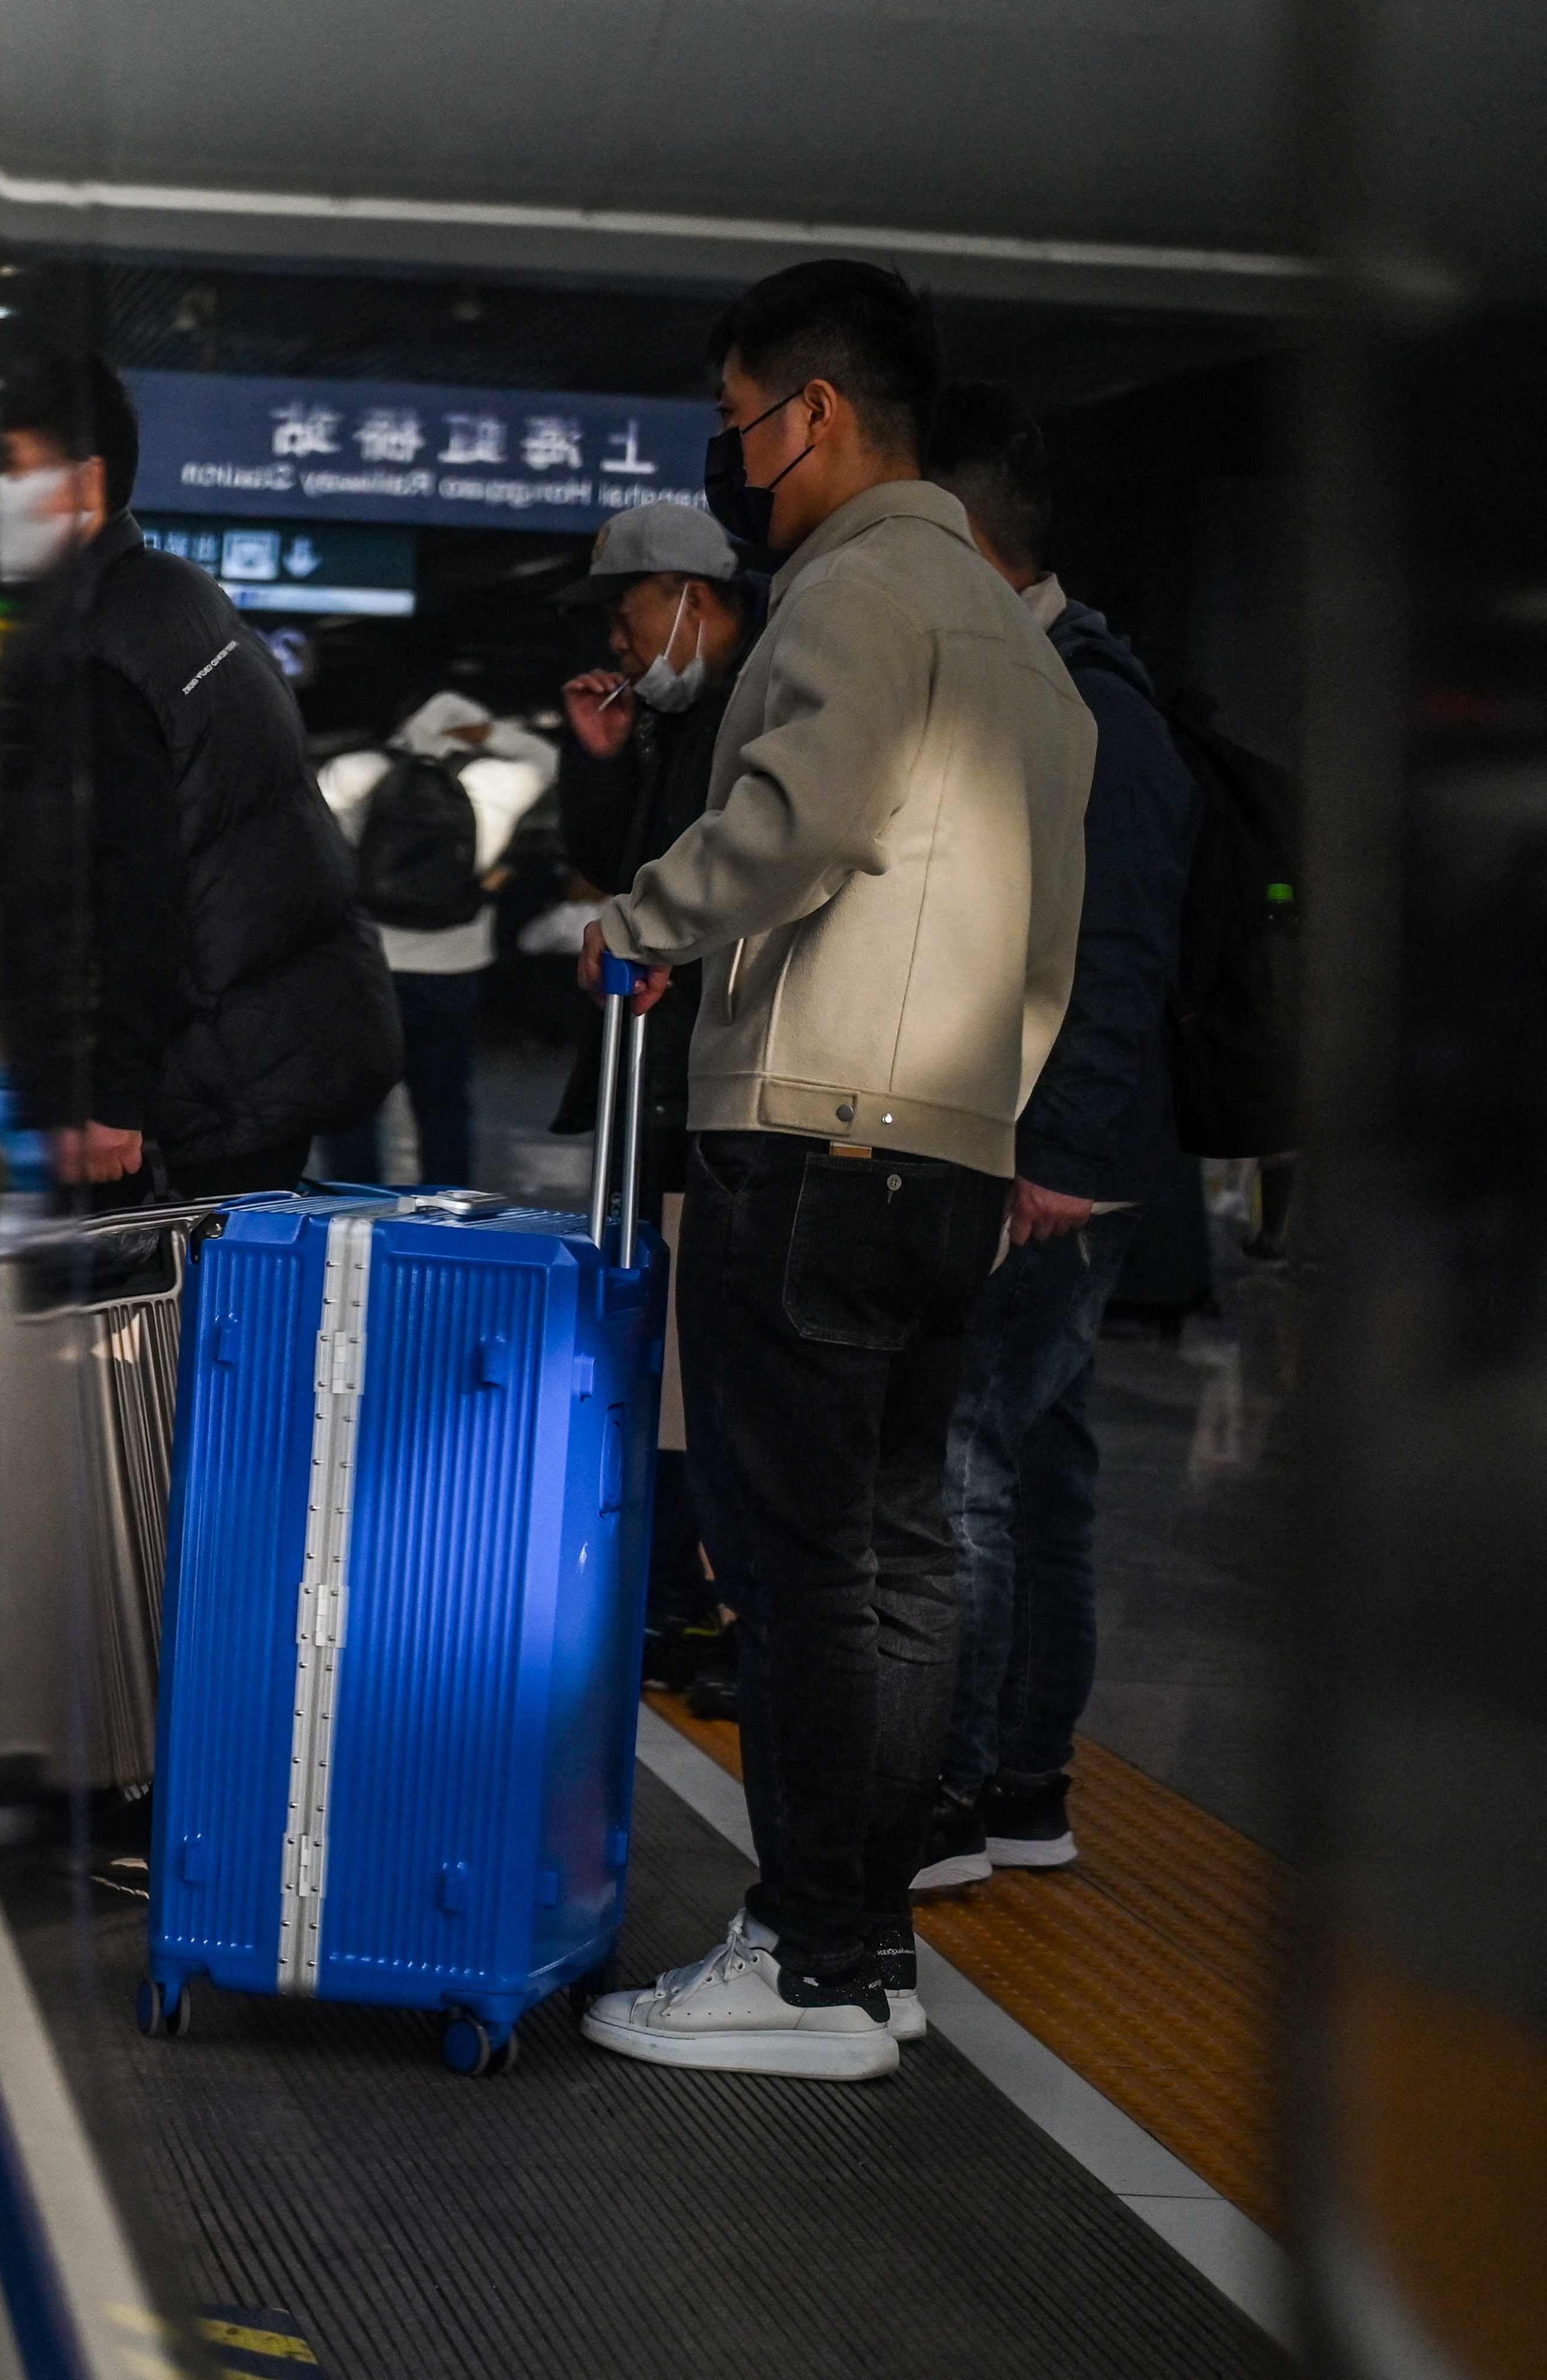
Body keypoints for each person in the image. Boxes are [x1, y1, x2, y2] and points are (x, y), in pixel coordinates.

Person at [572, 260, 1093, 2082]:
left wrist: (635, 917)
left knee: (797, 1570)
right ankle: (867, 1958)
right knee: (898, 1559)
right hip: (947, 1150)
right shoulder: (1022, 638)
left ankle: (803, 1961)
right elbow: (1051, 946)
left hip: (813, 1137)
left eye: (739, 422)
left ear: (814, 412)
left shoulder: (856, 592)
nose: (736, 461)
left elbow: (800, 817)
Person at [912, 383, 1200, 1892]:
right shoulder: (1052, 683)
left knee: (967, 1457)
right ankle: (1025, 1780)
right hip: (1056, 1149)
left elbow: (1120, 943)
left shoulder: (1091, 698)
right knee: (1042, 1463)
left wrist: (1062, 1157)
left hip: (1056, 1163)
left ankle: (955, 1794)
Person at [0, 351, 400, 1198]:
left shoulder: (94, 649)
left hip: (196, 1079)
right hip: (255, 1045)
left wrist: (108, 1099)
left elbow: (134, 887)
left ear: (85, 484)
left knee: (160, 1319)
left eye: (9, 465)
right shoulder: (176, 597)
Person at [548, 505, 764, 1713]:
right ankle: (672, 1592)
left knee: (709, 1372)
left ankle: (719, 1604)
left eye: (627, 612)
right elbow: (615, 870)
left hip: (708, 1086)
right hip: (655, 1078)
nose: (622, 642)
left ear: (687, 593)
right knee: (662, 1357)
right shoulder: (672, 722)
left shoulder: (763, 699)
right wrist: (601, 750)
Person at [312, 692, 557, 1186]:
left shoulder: (355, 772)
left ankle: (349, 1216)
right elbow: (545, 756)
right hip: (454, 971)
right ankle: (442, 1220)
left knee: (351, 1108)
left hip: (366, 964)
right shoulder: (495, 781)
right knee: (444, 1108)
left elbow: (308, 843)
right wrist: (488, 733)